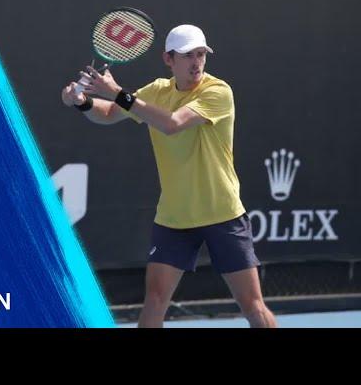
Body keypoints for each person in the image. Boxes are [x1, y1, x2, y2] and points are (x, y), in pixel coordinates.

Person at [61, 24, 277, 328]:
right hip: (175, 217)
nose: (197, 62)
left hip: (221, 212)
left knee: (252, 306)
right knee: (155, 300)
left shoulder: (218, 91)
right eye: (188, 55)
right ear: (169, 59)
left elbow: (173, 123)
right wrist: (82, 102)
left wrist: (119, 94)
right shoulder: (156, 92)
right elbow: (109, 113)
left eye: (201, 54)